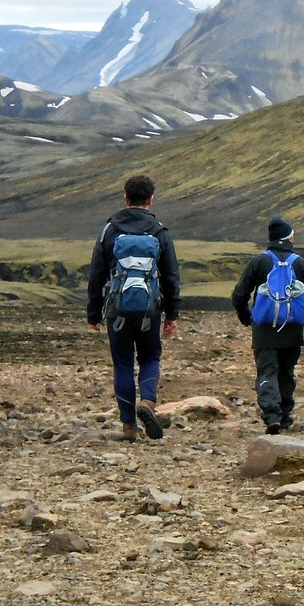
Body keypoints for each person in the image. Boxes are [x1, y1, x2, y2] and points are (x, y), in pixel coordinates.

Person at [87, 175, 181, 442]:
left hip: (117, 310)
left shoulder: (110, 230)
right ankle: (148, 402)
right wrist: (172, 315)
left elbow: (97, 275)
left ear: (125, 198)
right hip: (149, 311)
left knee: (123, 364)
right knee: (150, 357)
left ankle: (129, 426)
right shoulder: (159, 232)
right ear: (151, 199)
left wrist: (93, 313)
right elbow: (171, 276)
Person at [231, 217, 304, 434]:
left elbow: (239, 295)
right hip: (292, 328)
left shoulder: (258, 262)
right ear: (289, 237)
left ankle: (272, 415)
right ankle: (285, 416)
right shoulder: (300, 263)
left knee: (267, 370)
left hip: (264, 328)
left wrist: (246, 317)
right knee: (286, 372)